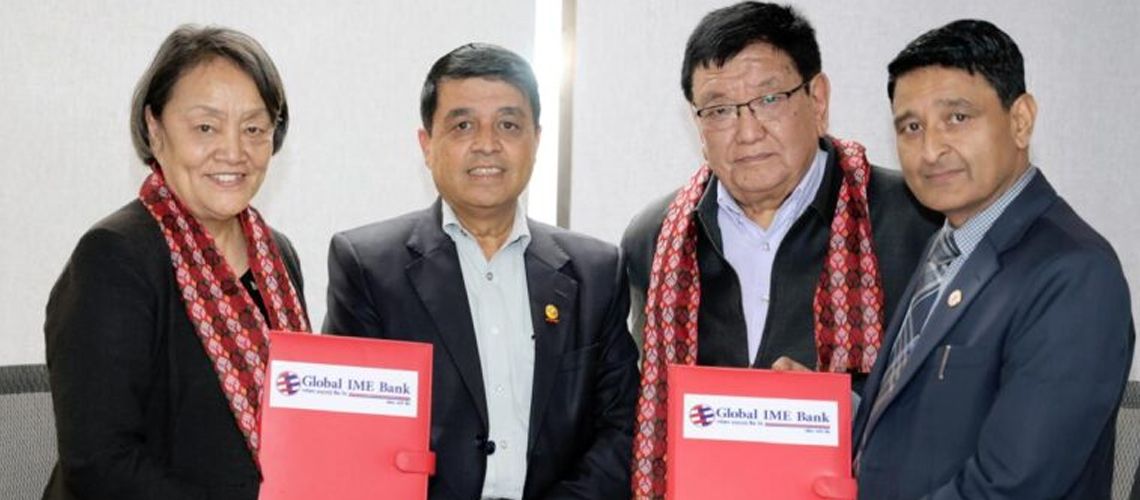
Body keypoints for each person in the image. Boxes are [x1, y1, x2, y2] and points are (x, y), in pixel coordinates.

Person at [620, 3, 940, 495]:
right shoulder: (655, 239)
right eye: (719, 110)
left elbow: (955, 405)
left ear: (818, 99)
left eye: (769, 99)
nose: (747, 132)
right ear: (697, 123)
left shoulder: (917, 221)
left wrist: (840, 416)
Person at [323, 43, 638, 500]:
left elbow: (622, 426)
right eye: (463, 125)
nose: (487, 144)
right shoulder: (368, 266)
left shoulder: (597, 272)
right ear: (427, 145)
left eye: (508, 125)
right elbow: (351, 434)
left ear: (536, 140)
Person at [853, 19, 1134, 500]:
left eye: (957, 118)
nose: (931, 150)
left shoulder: (1075, 274)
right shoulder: (949, 244)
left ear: (1020, 120)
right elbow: (925, 420)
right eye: (912, 127)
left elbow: (1009, 487)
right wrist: (823, 410)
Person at [42, 26, 309, 500]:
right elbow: (100, 465)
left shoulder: (278, 257)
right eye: (206, 127)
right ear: (155, 128)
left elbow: (306, 417)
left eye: (254, 129)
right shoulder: (114, 257)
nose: (234, 152)